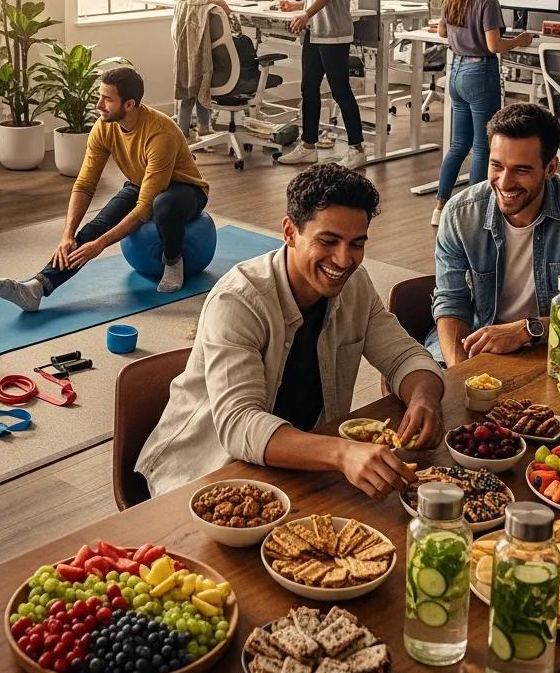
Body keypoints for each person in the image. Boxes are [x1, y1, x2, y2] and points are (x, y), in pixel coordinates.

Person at [137, 163, 446, 498]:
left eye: (357, 244)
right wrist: (341, 453)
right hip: (205, 476)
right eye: (328, 241)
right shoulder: (238, 301)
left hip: (304, 468)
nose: (344, 260)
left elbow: (405, 356)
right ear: (289, 232)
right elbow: (240, 424)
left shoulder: (355, 286)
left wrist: (424, 399)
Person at [0, 67, 209, 304]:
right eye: (100, 96)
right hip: (139, 182)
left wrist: (100, 246)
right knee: (95, 228)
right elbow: (84, 184)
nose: (98, 105)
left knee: (163, 204)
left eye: (107, 99)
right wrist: (67, 235)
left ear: (129, 105)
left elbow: (145, 207)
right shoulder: (104, 127)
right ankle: (36, 288)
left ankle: (174, 261)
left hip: (185, 190)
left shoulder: (160, 133)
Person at [430, 102, 560, 367]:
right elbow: (451, 302)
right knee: (418, 385)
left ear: (550, 168)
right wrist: (460, 374)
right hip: (476, 341)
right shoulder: (459, 213)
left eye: (521, 170)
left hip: (551, 346)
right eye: (496, 166)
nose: (505, 182)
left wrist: (528, 330)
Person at [431, 0, 536, 228]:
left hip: (456, 72)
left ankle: (440, 206)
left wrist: (463, 33)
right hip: (480, 74)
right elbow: (493, 45)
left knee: (457, 144)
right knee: (482, 147)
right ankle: (476, 211)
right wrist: (519, 41)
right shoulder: (487, 0)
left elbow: (442, 31)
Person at [275, 0, 367, 171]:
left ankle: (357, 149)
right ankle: (308, 146)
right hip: (316, 32)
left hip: (333, 34)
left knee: (340, 90)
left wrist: (305, 14)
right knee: (308, 88)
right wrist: (298, 6)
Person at [169, 0, 232, 139]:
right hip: (195, 28)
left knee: (193, 76)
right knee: (199, 77)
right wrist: (218, 2)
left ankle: (203, 127)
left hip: (184, 25)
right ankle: (183, 133)